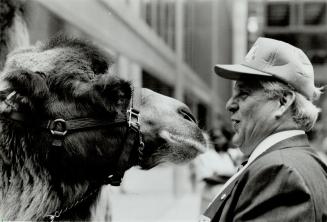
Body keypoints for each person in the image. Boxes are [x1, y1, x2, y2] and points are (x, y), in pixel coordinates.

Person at [199, 37, 327, 222]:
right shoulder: (289, 162)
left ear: (283, 101)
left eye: (243, 93)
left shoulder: (280, 172)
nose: (229, 105)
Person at [195, 122, 242, 212]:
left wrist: (219, 175)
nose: (216, 141)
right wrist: (233, 177)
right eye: (214, 138)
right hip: (210, 199)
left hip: (228, 200)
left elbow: (242, 172)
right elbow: (207, 177)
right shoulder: (205, 155)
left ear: (227, 138)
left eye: (219, 137)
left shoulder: (233, 154)